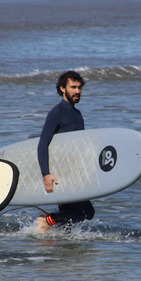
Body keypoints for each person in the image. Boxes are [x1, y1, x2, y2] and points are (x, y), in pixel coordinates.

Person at [36, 71, 95, 231]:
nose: (77, 91)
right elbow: (43, 144)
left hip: (74, 172)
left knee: (67, 220)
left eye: (79, 87)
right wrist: (46, 174)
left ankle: (56, 244)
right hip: (62, 173)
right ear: (62, 88)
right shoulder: (57, 113)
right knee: (87, 212)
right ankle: (46, 220)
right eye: (73, 87)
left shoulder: (77, 114)